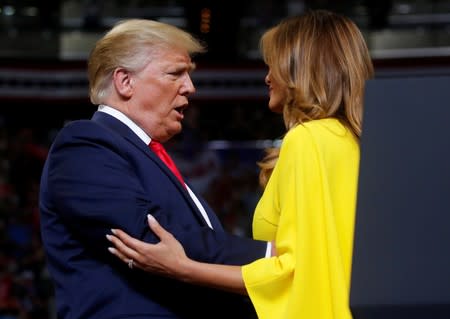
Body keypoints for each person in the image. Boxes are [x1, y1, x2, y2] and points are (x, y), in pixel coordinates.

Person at [106, 9, 375, 319]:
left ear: (299, 70)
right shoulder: (350, 141)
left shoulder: (309, 139)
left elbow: (292, 271)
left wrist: (183, 268)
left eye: (272, 65)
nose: (267, 77)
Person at [38, 19, 270, 319]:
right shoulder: (85, 143)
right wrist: (272, 256)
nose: (190, 87)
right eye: (176, 73)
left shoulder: (146, 153)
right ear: (125, 82)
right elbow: (153, 239)